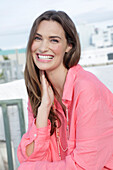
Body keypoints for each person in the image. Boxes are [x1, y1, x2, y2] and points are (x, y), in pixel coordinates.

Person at [17, 10, 113, 170]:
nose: (43, 47)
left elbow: (84, 166)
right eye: (37, 38)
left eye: (53, 40)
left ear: (69, 46)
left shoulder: (87, 89)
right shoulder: (40, 93)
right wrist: (43, 112)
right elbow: (28, 157)